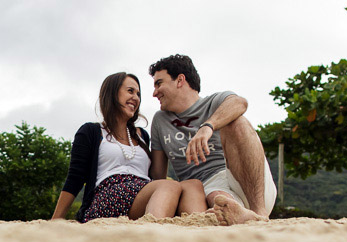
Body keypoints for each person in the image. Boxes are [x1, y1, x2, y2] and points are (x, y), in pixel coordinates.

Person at [51, 72, 204, 222]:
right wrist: (56, 220)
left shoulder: (142, 135)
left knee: (193, 185)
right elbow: (75, 178)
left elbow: (154, 175)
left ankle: (200, 235)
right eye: (130, 91)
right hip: (108, 195)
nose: (135, 98)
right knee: (169, 186)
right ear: (112, 93)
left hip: (142, 192)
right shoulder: (91, 131)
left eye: (138, 94)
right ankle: (153, 235)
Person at [148, 54, 277, 225]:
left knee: (237, 121)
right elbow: (158, 175)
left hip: (249, 183)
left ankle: (260, 214)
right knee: (215, 195)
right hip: (205, 189)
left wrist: (207, 127)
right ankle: (240, 214)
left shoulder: (214, 102)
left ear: (180, 80)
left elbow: (240, 103)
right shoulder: (160, 120)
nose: (154, 92)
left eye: (159, 83)